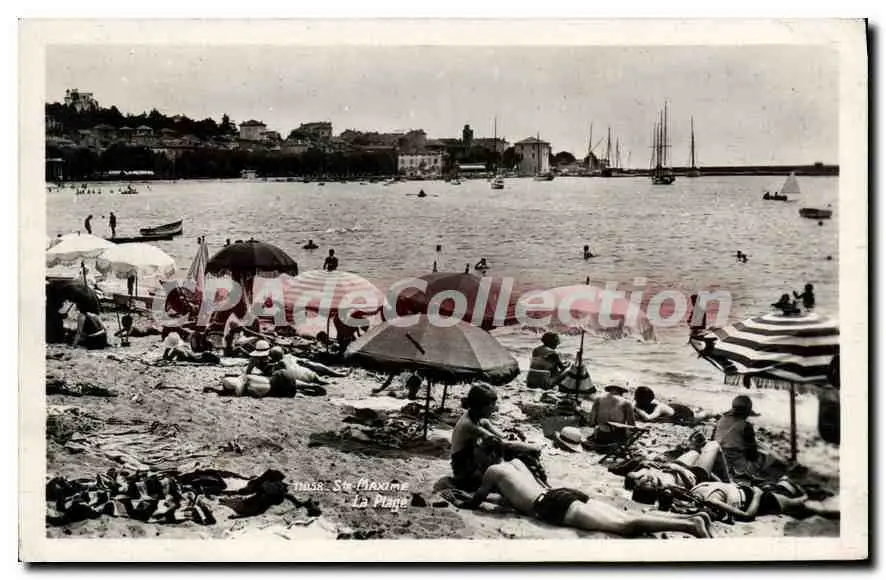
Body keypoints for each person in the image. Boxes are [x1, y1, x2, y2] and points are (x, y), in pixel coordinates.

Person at [445, 438, 712, 538]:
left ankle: (689, 527)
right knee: (626, 516)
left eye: (479, 455)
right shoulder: (516, 463)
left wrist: (458, 499)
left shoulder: (492, 471)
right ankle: (693, 518)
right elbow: (514, 499)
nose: (477, 460)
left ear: (490, 455)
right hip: (560, 494)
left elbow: (475, 502)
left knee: (625, 526)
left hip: (551, 506)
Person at [450, 385, 541, 492]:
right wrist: (533, 447)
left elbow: (502, 437)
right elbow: (504, 443)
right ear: (482, 406)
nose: (494, 408)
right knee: (504, 456)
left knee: (514, 453)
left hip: (472, 462)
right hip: (464, 471)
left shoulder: (478, 418)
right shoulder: (468, 425)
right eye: (492, 404)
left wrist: (514, 438)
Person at [711, 396, 762, 479]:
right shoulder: (746, 426)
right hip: (734, 463)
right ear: (746, 413)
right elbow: (752, 454)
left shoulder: (721, 419)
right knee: (760, 459)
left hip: (716, 457)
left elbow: (712, 440)